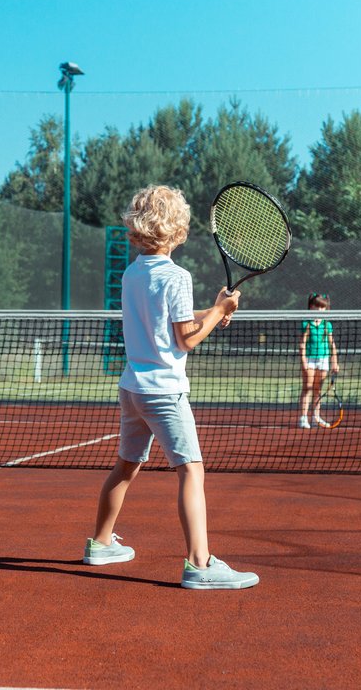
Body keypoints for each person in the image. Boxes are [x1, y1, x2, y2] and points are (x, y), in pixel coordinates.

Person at [83, 185, 259, 590]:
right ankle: (200, 564)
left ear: (136, 226)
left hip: (132, 389)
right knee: (191, 471)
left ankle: (101, 543)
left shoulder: (131, 272)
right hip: (164, 391)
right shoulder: (178, 276)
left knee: (126, 467)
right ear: (177, 228)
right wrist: (218, 312)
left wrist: (211, 311)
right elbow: (186, 340)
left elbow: (164, 318)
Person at [298, 292, 339, 429]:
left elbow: (332, 344)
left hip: (323, 360)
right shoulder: (306, 323)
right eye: (316, 306)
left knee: (317, 390)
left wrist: (335, 362)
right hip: (309, 359)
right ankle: (303, 418)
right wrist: (303, 361)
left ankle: (316, 418)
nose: (319, 309)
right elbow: (302, 344)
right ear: (311, 307)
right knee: (307, 389)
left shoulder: (327, 325)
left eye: (322, 307)